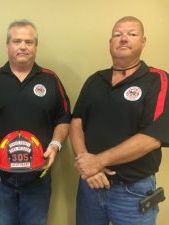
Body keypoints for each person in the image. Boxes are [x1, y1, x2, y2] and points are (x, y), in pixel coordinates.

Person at [0, 19, 71, 225]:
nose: (23, 46)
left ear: (35, 46)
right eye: (17, 41)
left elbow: (64, 117)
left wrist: (55, 144)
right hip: (0, 175)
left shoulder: (51, 80)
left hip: (38, 174)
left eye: (29, 42)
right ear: (8, 45)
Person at [70, 16, 169, 225]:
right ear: (110, 43)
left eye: (132, 34)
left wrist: (97, 162)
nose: (123, 39)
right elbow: (77, 121)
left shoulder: (157, 80)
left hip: (132, 192)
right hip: (91, 186)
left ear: (143, 41)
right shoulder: (95, 80)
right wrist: (85, 161)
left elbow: (154, 136)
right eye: (117, 34)